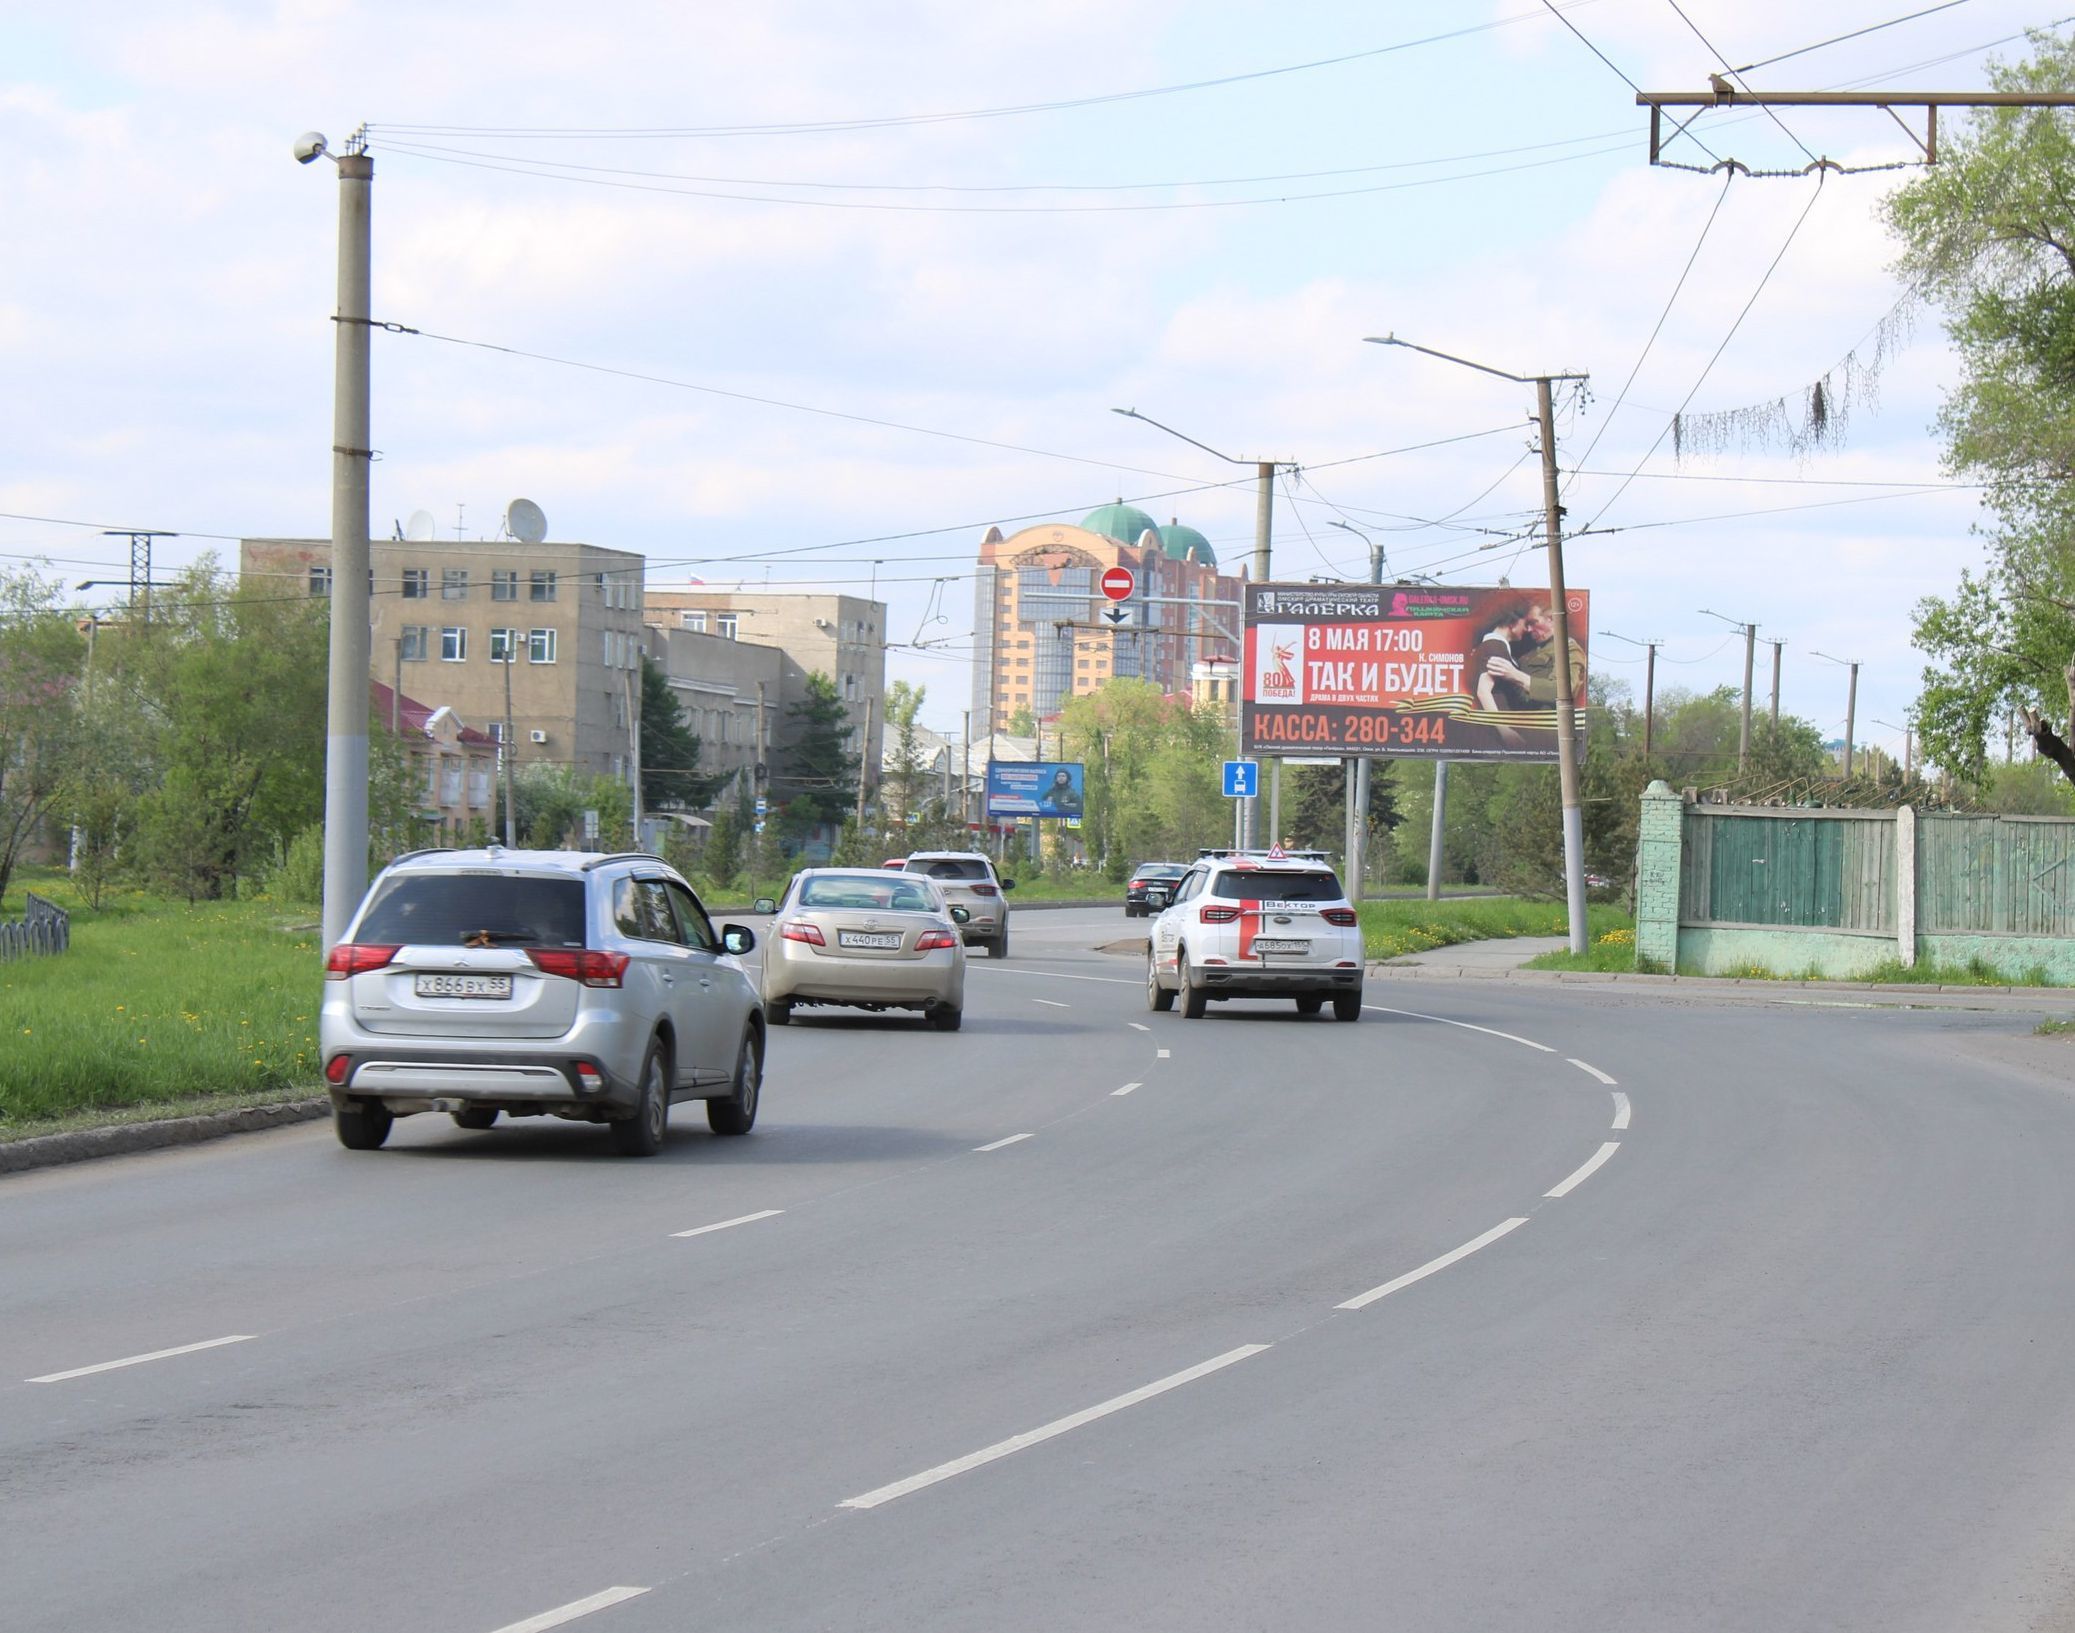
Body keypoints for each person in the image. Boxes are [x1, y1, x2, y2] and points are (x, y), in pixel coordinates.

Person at [1512, 603, 1587, 711]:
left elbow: (1563, 692)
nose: (1528, 629)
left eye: (1533, 623)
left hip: (1546, 723)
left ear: (1551, 619)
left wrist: (1515, 676)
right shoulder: (1533, 650)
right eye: (1527, 624)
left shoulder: (1568, 649)